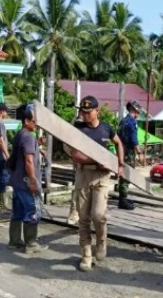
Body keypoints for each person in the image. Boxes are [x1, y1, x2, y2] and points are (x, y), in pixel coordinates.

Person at [70, 95, 125, 272]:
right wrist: (97, 159)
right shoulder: (77, 128)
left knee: (99, 215)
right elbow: (75, 154)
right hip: (84, 175)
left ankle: (101, 241)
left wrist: (119, 164)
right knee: (84, 218)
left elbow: (119, 143)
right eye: (82, 112)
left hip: (102, 176)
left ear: (97, 111)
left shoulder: (106, 129)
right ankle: (86, 255)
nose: (84, 115)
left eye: (88, 112)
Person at [7, 104, 48, 254]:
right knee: (33, 211)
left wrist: (37, 143)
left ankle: (15, 240)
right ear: (26, 120)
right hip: (26, 182)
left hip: (17, 181)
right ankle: (31, 244)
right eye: (34, 121)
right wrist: (33, 181)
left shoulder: (21, 135)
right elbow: (29, 161)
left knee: (17, 212)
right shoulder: (28, 138)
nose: (36, 124)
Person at [116, 100, 143, 210]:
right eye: (138, 111)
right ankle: (122, 200)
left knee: (123, 174)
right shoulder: (132, 122)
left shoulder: (122, 121)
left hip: (121, 149)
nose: (139, 114)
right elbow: (134, 139)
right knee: (126, 175)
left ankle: (123, 197)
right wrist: (140, 153)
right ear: (135, 110)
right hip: (128, 151)